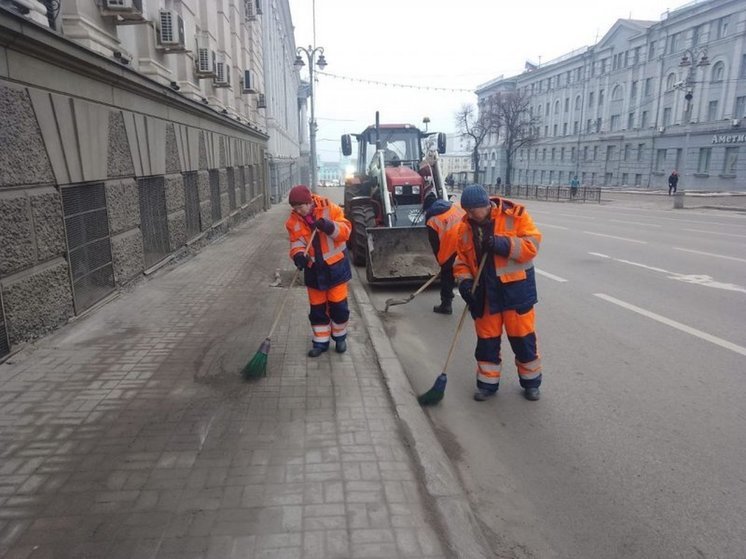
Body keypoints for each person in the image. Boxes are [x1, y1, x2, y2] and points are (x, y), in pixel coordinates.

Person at [454, 184, 543, 402]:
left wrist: (501, 244)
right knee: (487, 342)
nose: (471, 216)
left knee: (523, 340)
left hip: (516, 292)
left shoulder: (515, 215)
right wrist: (465, 284)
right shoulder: (465, 228)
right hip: (484, 295)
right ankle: (487, 384)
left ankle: (531, 383)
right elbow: (461, 262)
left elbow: (532, 246)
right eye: (468, 211)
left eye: (475, 211)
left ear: (486, 205)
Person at [285, 185, 352, 357]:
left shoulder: (330, 208)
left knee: (339, 308)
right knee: (317, 310)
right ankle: (321, 342)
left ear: (309, 202)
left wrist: (329, 227)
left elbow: (345, 232)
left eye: (300, 207)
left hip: (336, 268)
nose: (298, 211)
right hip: (314, 271)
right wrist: (298, 255)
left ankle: (339, 338)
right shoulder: (293, 222)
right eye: (295, 208)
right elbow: (296, 244)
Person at [423, 193, 465, 315]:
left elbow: (435, 245)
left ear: (428, 208)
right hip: (467, 242)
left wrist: (442, 264)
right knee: (472, 271)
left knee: (447, 275)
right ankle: (476, 301)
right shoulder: (455, 207)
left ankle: (446, 305)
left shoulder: (432, 220)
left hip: (451, 248)